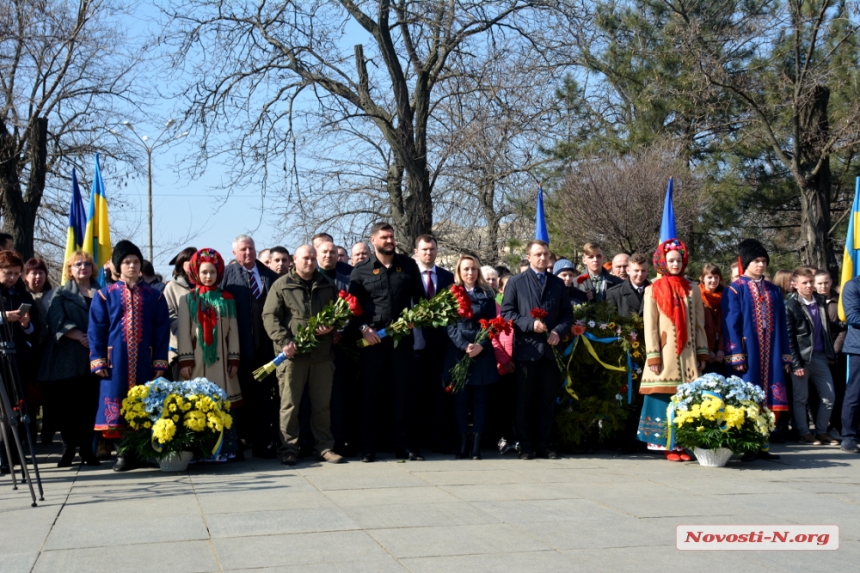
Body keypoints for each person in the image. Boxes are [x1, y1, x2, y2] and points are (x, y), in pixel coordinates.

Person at [88, 240, 170, 471]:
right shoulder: (105, 296)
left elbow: (161, 330)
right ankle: (123, 453)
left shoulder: (154, 296)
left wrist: (160, 361)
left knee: (146, 404)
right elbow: (96, 329)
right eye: (126, 262)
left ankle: (144, 452)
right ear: (117, 266)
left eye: (135, 261)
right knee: (116, 405)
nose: (132, 266)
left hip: (145, 359)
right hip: (115, 362)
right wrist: (98, 360)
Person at [349, 222, 425, 462]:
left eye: (391, 237)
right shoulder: (360, 270)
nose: (389, 241)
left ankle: (404, 447)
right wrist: (363, 328)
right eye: (384, 237)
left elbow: (421, 300)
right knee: (370, 395)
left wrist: (417, 317)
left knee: (402, 395)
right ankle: (368, 448)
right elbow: (351, 308)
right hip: (373, 342)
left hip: (401, 341)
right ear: (373, 241)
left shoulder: (409, 266)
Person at [263, 244, 343, 465]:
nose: (310, 262)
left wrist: (332, 326)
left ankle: (325, 447)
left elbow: (339, 312)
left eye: (312, 258)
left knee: (321, 404)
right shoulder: (281, 285)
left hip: (322, 355)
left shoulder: (327, 284)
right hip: (292, 356)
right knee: (290, 405)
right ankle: (289, 448)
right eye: (305, 258)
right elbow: (270, 317)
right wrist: (284, 341)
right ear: (294, 259)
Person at [637, 239, 709, 461]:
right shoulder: (652, 289)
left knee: (685, 401)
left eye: (678, 260)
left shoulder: (693, 290)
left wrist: (701, 352)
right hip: (664, 355)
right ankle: (666, 446)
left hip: (687, 357)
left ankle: (681, 445)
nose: (675, 264)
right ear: (663, 262)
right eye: (671, 261)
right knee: (663, 399)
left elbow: (699, 323)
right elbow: (650, 325)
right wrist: (653, 356)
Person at [501, 239, 573, 460]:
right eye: (538, 254)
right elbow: (507, 313)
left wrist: (558, 331)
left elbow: (566, 315)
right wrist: (529, 324)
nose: (542, 258)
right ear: (529, 257)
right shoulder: (516, 282)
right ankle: (526, 444)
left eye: (546, 255)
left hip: (551, 351)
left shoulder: (557, 284)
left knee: (547, 399)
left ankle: (544, 443)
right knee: (524, 400)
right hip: (526, 350)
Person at [722, 238, 792, 460]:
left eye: (763, 261)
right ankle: (747, 445)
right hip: (748, 352)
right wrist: (736, 355)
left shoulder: (773, 290)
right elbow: (730, 324)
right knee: (747, 397)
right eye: (756, 261)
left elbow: (782, 324)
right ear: (745, 263)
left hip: (771, 351)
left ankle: (762, 444)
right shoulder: (735, 289)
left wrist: (785, 355)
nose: (761, 265)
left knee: (770, 398)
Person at [176, 248, 242, 459]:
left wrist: (234, 358)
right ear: (195, 273)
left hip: (222, 363)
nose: (208, 276)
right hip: (196, 360)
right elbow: (184, 333)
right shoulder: (188, 299)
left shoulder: (227, 298)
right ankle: (197, 450)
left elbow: (233, 332)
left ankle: (225, 449)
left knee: (222, 404)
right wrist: (185, 360)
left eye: (212, 272)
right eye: (204, 272)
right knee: (196, 404)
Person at [38, 251, 101, 467]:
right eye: (77, 265)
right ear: (70, 270)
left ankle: (86, 449)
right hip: (67, 356)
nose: (82, 267)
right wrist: (77, 335)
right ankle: (68, 449)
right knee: (67, 408)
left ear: (93, 268)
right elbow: (55, 319)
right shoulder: (62, 293)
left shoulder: (102, 293)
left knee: (89, 405)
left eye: (86, 264)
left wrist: (95, 339)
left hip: (95, 357)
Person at [221, 234, 280, 459]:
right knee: (240, 399)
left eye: (251, 249)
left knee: (264, 399)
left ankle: (262, 443)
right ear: (235, 253)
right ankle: (239, 444)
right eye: (243, 250)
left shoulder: (269, 276)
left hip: (265, 350)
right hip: (238, 351)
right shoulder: (227, 277)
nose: (248, 253)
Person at [443, 254, 499, 460]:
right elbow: (448, 325)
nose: (470, 273)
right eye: (466, 269)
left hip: (481, 352)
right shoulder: (450, 294)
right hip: (459, 352)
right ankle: (463, 443)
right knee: (460, 400)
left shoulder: (487, 294)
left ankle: (476, 445)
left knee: (480, 400)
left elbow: (493, 325)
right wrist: (464, 345)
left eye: (473, 269)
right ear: (459, 271)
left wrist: (480, 345)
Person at [785, 267, 839, 446]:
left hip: (821, 357)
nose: (809, 286)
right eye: (804, 283)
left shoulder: (822, 302)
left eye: (810, 282)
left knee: (828, 396)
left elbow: (828, 329)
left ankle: (822, 431)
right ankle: (804, 433)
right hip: (802, 359)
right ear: (795, 285)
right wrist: (796, 363)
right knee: (801, 398)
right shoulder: (791, 306)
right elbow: (790, 337)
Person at [0, 250, 43, 474]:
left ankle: (15, 450)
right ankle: (2, 453)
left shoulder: (22, 295)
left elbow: (34, 328)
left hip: (17, 357)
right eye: (8, 273)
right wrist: (3, 318)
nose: (12, 278)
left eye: (16, 274)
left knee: (17, 406)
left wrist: (26, 324)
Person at [412, 234, 455, 453]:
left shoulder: (447, 277)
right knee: (416, 396)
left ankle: (438, 439)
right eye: (425, 249)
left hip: (441, 345)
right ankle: (417, 442)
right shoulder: (409, 276)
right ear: (416, 252)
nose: (429, 253)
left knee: (439, 396)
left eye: (432, 249)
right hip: (416, 345)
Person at [22, 258, 53, 443]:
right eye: (33, 273)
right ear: (26, 275)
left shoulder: (54, 295)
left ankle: (48, 432)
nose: (37, 277)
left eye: (41, 273)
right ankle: (30, 432)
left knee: (50, 394)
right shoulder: (22, 296)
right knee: (30, 394)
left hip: (50, 350)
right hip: (29, 352)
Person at [815, 270, 846, 437]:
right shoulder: (811, 301)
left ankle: (836, 425)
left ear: (831, 281)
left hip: (835, 355)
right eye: (819, 283)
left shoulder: (839, 301)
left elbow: (842, 329)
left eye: (826, 282)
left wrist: (833, 353)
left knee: (836, 393)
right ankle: (819, 428)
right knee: (818, 395)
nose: (823, 286)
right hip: (817, 354)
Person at [163, 247, 197, 380]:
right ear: (182, 264)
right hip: (180, 349)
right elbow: (169, 314)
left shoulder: (205, 284)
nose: (194, 263)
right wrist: (187, 330)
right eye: (190, 260)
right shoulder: (172, 286)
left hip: (204, 349)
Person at [606, 253, 650, 317]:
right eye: (636, 270)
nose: (640, 274)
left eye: (643, 271)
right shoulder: (614, 293)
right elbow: (611, 321)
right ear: (628, 271)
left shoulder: (654, 290)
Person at [699, 263, 725, 374]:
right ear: (702, 278)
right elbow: (698, 327)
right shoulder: (697, 297)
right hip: (704, 350)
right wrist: (707, 350)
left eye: (716, 277)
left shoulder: (725, 297)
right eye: (709, 277)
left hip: (720, 351)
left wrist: (721, 349)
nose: (713, 280)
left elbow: (726, 325)